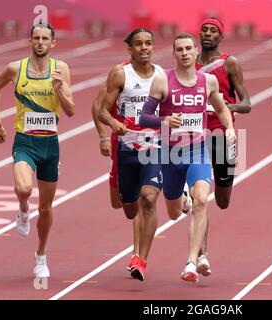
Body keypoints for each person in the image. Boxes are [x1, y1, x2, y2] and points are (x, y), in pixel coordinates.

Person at [139, 33, 236, 283]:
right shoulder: (162, 81)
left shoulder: (209, 81)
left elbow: (222, 107)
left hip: (197, 151)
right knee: (173, 212)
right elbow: (143, 117)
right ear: (174, 54)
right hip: (170, 155)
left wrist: (230, 129)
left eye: (188, 49)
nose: (184, 53)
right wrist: (163, 120)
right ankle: (180, 199)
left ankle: (192, 262)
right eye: (179, 49)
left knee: (202, 199)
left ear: (196, 53)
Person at [0, 23, 75, 278]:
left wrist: (60, 89)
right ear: (30, 41)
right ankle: (23, 208)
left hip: (50, 144)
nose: (40, 42)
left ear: (53, 43)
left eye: (45, 39)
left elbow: (70, 110)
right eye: (36, 38)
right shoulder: (16, 69)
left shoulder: (61, 69)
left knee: (47, 209)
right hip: (24, 141)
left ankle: (41, 255)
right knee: (24, 188)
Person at [98, 29, 163, 281]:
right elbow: (102, 110)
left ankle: (141, 260)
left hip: (153, 148)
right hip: (126, 148)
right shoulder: (120, 74)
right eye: (138, 44)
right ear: (130, 48)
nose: (144, 48)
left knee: (149, 198)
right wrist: (112, 124)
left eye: (148, 43)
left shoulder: (161, 76)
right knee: (129, 208)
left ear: (153, 47)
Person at [194, 17, 251, 276]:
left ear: (221, 36)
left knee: (223, 200)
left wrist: (229, 107)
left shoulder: (230, 63)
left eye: (213, 31)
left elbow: (247, 103)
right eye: (204, 29)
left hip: (222, 135)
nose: (207, 34)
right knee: (200, 197)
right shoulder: (189, 62)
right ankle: (201, 255)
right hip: (195, 135)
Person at [91, 82, 144, 274]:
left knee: (143, 197)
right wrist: (103, 136)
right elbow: (96, 107)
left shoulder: (155, 79)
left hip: (147, 144)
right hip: (120, 146)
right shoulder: (118, 80)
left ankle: (137, 255)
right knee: (118, 202)